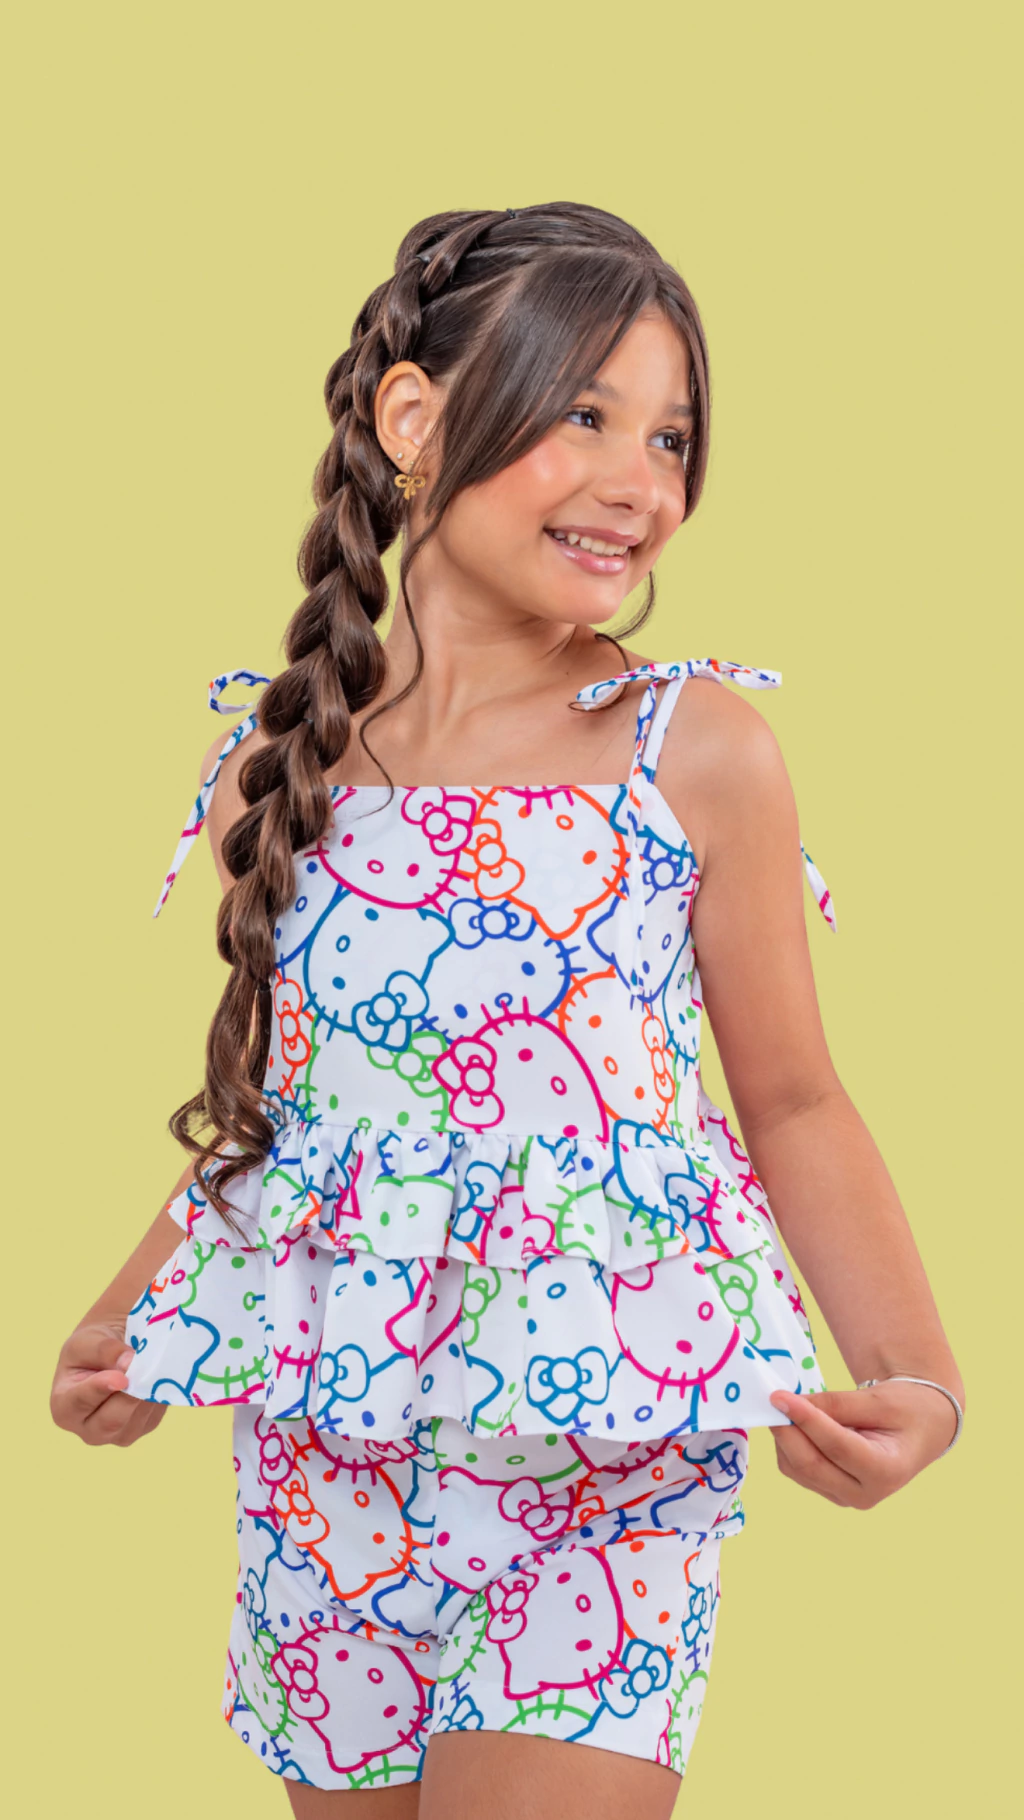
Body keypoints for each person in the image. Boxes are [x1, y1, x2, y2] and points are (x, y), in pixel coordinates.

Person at [50, 203, 964, 1820]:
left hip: (610, 1460)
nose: (641, 481)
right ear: (415, 418)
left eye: (671, 436)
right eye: (585, 415)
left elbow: (793, 1099)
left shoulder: (693, 752)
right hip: (329, 1455)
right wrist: (134, 1311)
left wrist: (917, 1373)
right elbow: (295, 1112)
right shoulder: (285, 765)